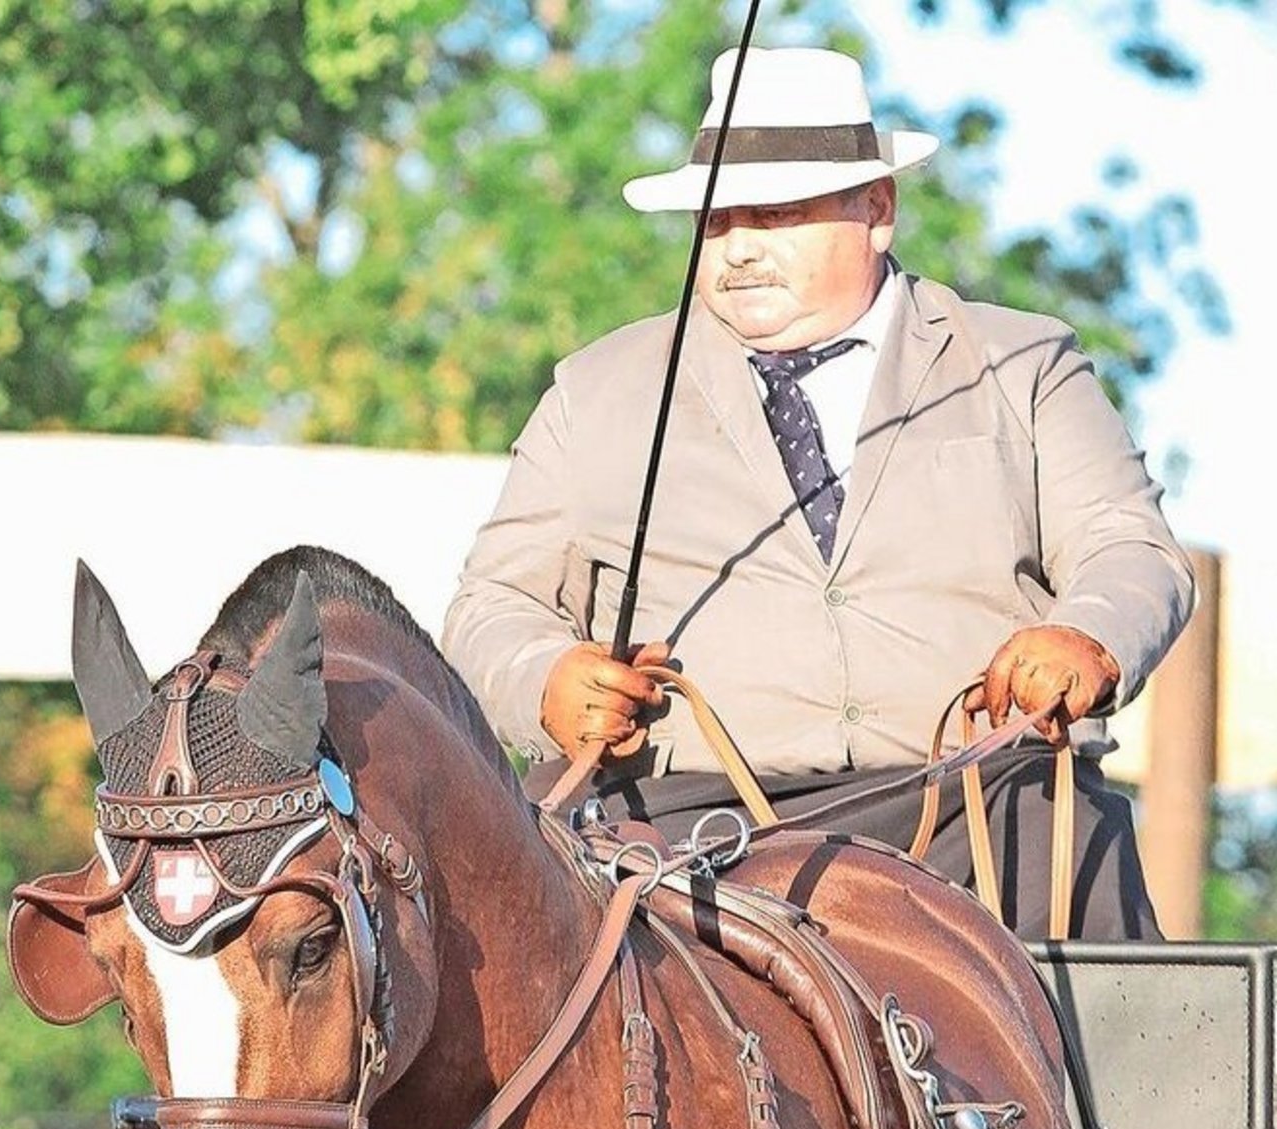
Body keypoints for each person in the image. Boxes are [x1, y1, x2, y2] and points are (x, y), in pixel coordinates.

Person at [441, 45, 1196, 941]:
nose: (741, 250)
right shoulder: (597, 389)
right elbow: (492, 603)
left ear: (877, 211)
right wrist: (547, 679)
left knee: (1126, 988)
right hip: (680, 830)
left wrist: (1092, 635)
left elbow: (1132, 548)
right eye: (718, 223)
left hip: (986, 809)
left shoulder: (1024, 363)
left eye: (779, 215)